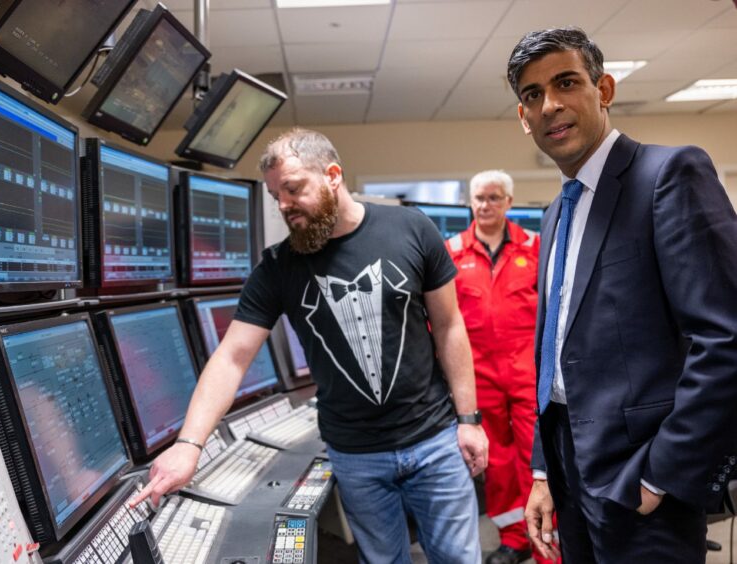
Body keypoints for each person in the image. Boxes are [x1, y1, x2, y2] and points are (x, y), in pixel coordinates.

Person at [132, 128, 489, 564]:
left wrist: (469, 418)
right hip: (356, 456)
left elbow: (450, 325)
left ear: (333, 175)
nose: (283, 204)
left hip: (434, 440)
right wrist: (190, 444)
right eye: (275, 194)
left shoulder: (412, 229)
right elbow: (232, 357)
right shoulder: (280, 266)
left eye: (293, 188)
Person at [506, 27, 737, 563]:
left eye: (566, 82)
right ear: (523, 117)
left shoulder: (668, 175)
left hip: (642, 476)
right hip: (568, 468)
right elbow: (555, 357)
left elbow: (726, 338)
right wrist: (543, 471)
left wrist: (664, 473)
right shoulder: (556, 211)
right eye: (532, 95)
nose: (550, 105)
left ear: (603, 89)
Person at [446, 171, 553, 564]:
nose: (485, 205)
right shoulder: (452, 250)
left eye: (494, 197)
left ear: (509, 202)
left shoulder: (536, 246)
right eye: (478, 197)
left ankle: (548, 540)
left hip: (528, 374)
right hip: (479, 377)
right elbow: (439, 318)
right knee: (498, 463)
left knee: (538, 459)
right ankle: (514, 537)